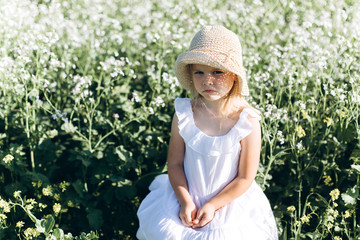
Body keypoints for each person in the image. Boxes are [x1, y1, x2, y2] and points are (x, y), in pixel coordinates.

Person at [136, 25, 278, 240]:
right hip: (185, 198)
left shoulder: (247, 121)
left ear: (234, 76)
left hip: (228, 205)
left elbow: (245, 177)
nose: (207, 80)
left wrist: (212, 205)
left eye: (217, 72)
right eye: (199, 72)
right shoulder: (184, 114)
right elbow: (174, 164)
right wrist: (185, 201)